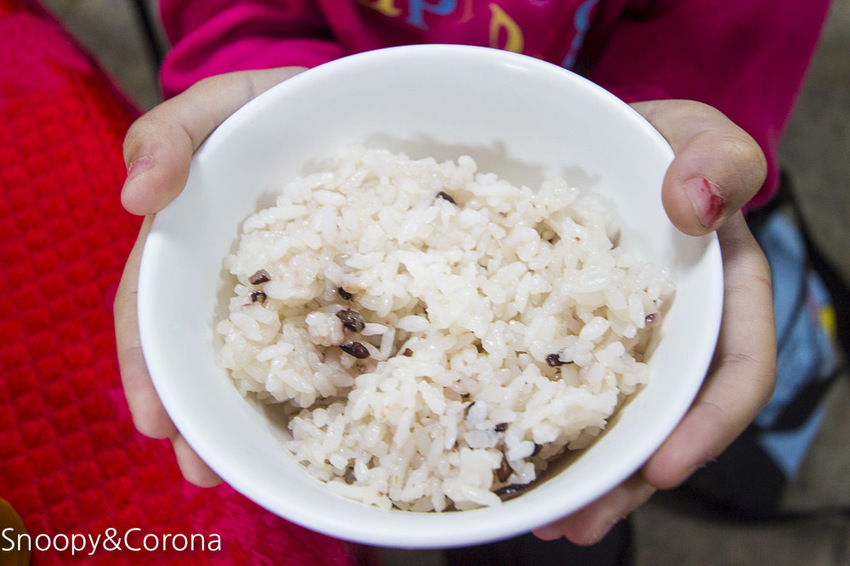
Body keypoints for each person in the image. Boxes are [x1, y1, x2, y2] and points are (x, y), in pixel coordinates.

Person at [114, 0, 831, 562]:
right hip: (408, 432)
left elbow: (734, 33)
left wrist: (660, 135)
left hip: (638, 118)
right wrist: (267, 96)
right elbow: (240, 15)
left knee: (575, 534)